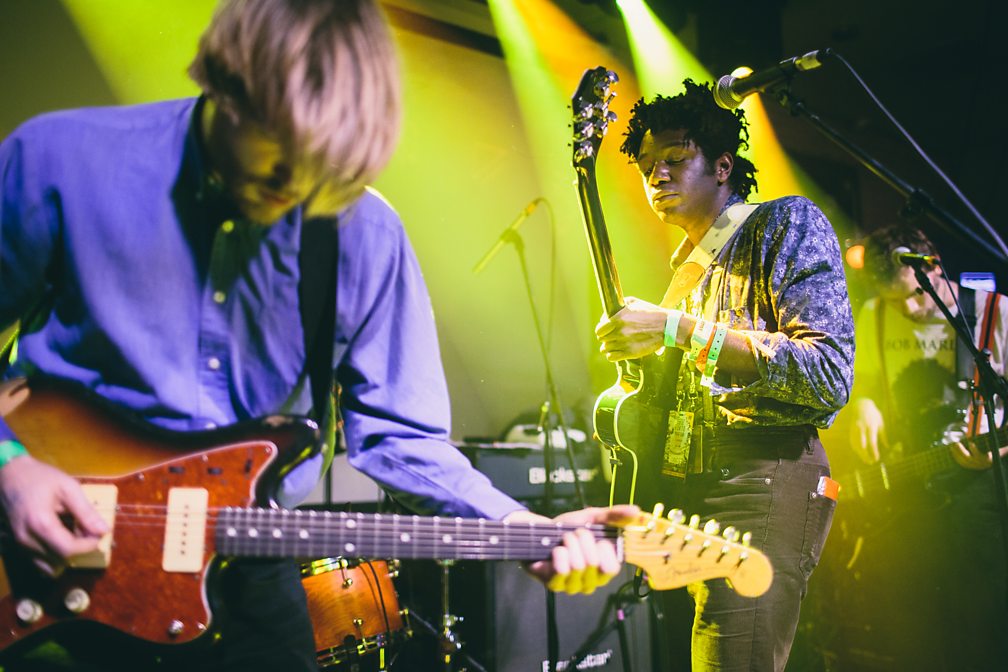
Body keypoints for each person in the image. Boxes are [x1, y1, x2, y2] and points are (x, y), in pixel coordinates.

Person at [0, 1, 634, 670]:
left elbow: (402, 437)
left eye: (328, 169)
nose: (299, 184)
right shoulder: (60, 161)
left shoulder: (365, 233)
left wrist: (517, 525)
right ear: (226, 84)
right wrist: (10, 468)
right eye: (282, 152)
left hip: (245, 573)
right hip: (44, 554)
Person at [593, 79, 854, 671]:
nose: (657, 175)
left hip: (764, 476)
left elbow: (828, 373)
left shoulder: (784, 223)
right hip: (693, 493)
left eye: (674, 159)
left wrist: (679, 330)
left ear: (722, 166)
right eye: (647, 166)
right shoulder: (686, 270)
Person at [841, 223, 1007, 669]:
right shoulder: (875, 313)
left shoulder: (994, 312)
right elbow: (865, 380)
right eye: (895, 300)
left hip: (980, 484)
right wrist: (866, 405)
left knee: (981, 619)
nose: (909, 309)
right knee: (917, 623)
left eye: (915, 295)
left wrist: (1001, 449)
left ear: (934, 267)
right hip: (909, 482)